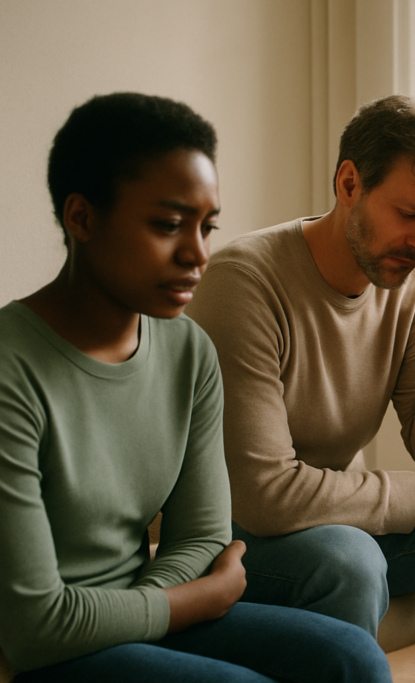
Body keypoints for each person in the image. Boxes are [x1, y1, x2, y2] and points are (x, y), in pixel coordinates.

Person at [0, 92, 392, 682]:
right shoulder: (12, 366)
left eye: (206, 227)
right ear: (81, 218)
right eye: (166, 225)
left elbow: (202, 536)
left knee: (352, 658)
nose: (197, 254)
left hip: (134, 610)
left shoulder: (189, 351)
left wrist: (151, 609)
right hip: (44, 650)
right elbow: (34, 626)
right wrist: (190, 603)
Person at [185, 94, 415, 683]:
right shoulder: (244, 283)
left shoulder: (407, 281)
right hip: (233, 538)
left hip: (334, 520)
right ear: (349, 182)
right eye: (410, 213)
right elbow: (263, 496)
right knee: (348, 559)